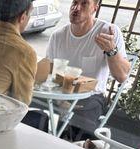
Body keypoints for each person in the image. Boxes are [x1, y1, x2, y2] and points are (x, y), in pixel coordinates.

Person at [46, 0, 131, 140]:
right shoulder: (58, 36)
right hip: (61, 93)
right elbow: (50, 73)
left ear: (95, 8)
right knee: (34, 110)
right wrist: (60, 100)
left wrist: (111, 51)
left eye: (84, 3)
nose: (76, 8)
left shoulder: (107, 32)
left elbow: (122, 76)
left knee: (79, 126)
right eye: (75, 2)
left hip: (91, 96)